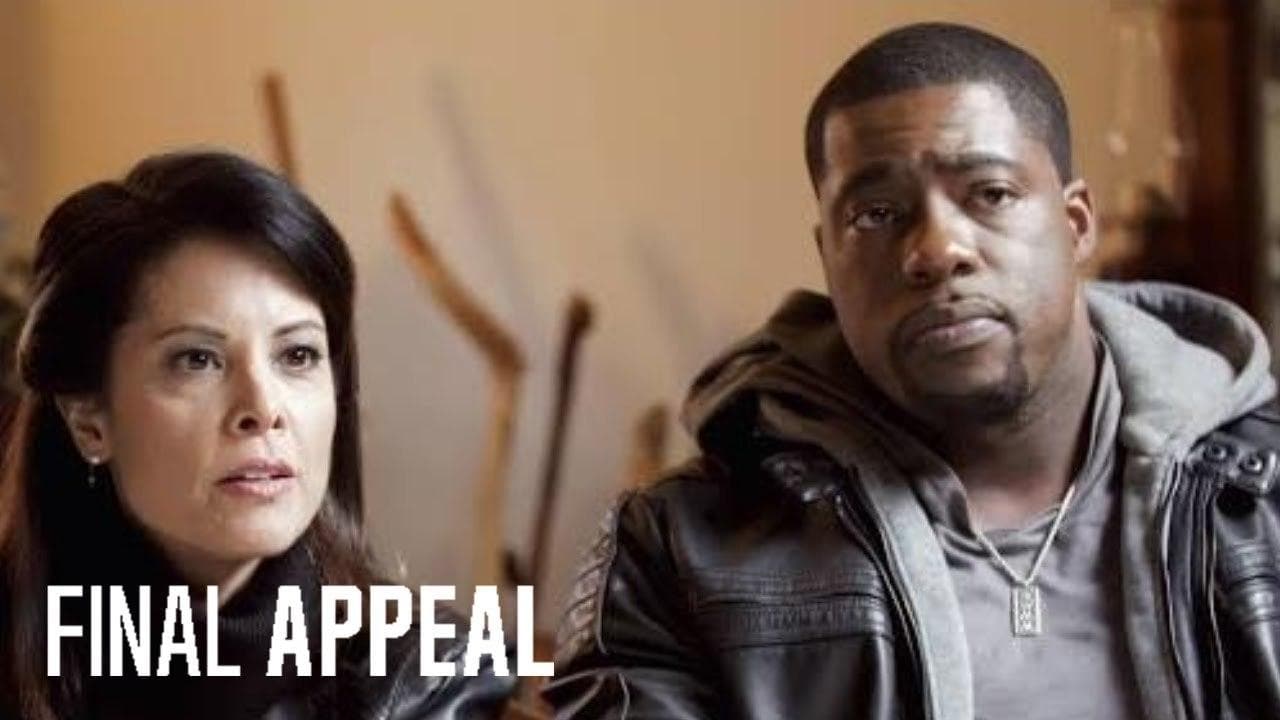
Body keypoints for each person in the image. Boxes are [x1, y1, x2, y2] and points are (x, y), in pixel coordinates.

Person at [545, 22, 1280, 720]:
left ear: (1076, 223)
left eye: (990, 194)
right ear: (827, 258)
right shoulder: (677, 553)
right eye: (876, 214)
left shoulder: (1264, 500)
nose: (937, 250)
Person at [0, 151, 515, 719]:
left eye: (297, 355)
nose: (264, 409)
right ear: (88, 419)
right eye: (197, 359)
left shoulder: (429, 685)